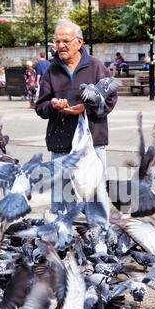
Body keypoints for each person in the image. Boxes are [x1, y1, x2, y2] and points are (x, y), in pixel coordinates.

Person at [35, 19, 118, 230]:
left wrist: (86, 109)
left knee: (95, 189)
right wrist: (53, 105)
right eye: (57, 41)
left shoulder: (96, 67)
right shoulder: (51, 71)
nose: (60, 45)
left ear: (79, 42)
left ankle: (99, 232)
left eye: (66, 41)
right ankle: (62, 235)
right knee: (63, 193)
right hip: (61, 140)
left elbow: (110, 100)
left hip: (93, 140)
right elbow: (40, 107)